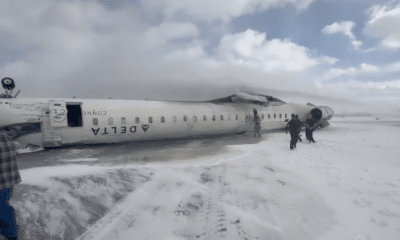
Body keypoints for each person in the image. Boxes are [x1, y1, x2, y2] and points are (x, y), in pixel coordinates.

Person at [0, 132, 21, 240]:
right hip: (8, 181)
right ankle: (12, 231)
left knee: (2, 208)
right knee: (4, 206)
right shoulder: (6, 137)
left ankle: (10, 233)